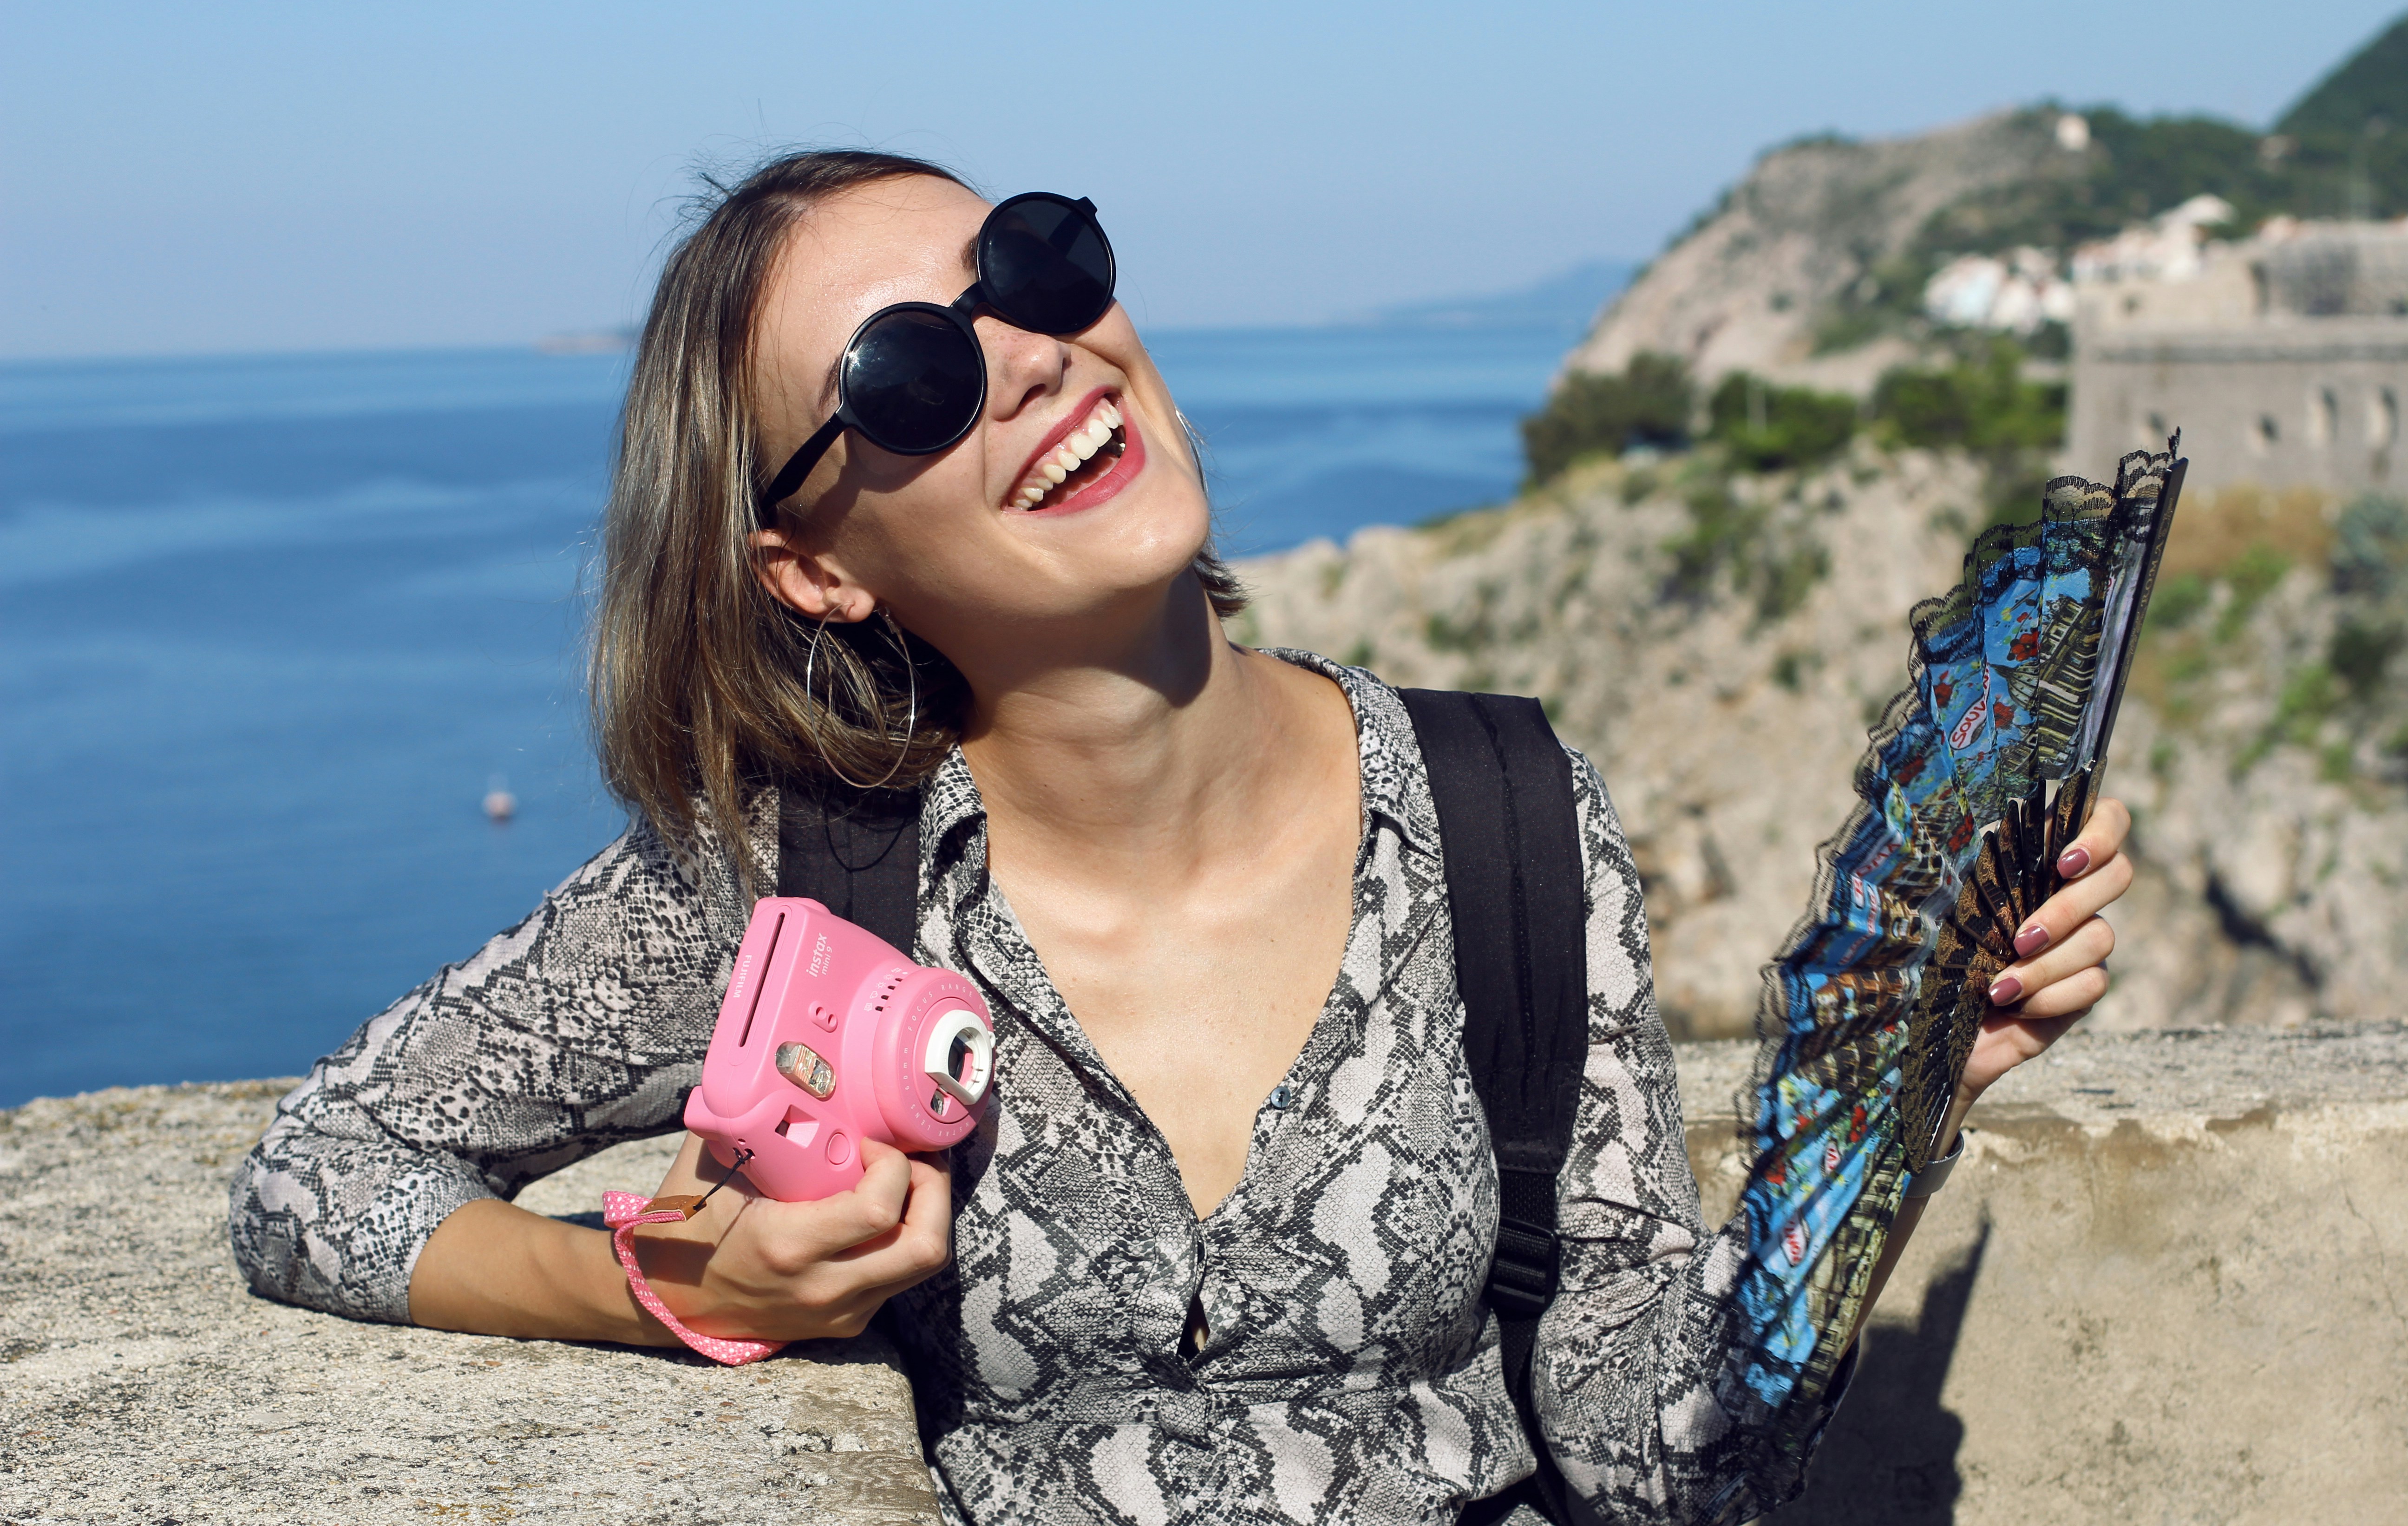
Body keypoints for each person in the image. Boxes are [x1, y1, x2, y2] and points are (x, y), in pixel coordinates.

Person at [230, 150, 2132, 1525]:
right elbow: (319, 1173)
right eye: (913, 375)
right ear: (812, 565)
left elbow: (1655, 1462)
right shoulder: (786, 889)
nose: (1038, 353)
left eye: (1039, 269)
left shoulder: (1505, 817)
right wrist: (662, 1288)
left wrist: (1876, 1128)